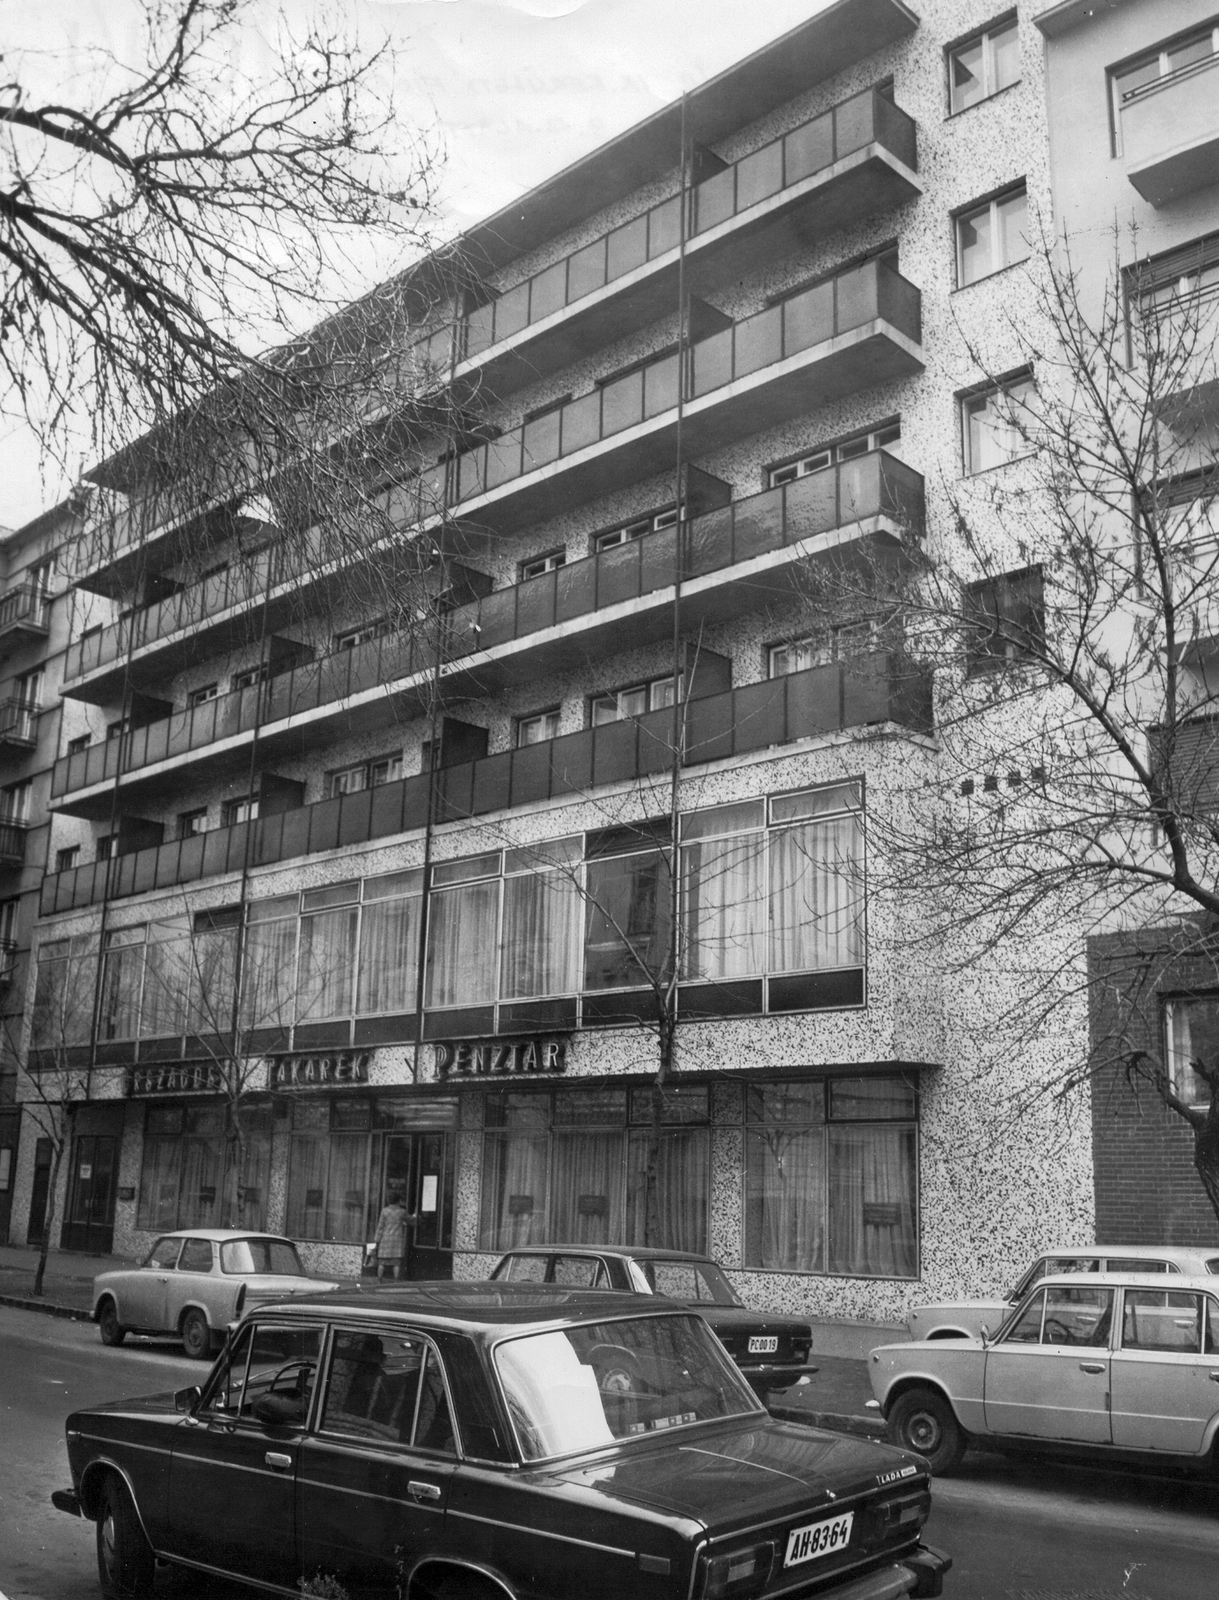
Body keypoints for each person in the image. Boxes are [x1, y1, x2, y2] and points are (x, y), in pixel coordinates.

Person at [373, 1189, 413, 1281]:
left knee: (381, 1263)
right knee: (396, 1263)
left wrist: (376, 1240)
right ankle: (395, 1281)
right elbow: (411, 1220)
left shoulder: (384, 1211)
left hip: (385, 1239)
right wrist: (415, 1216)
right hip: (397, 1240)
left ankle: (379, 1281)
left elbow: (380, 1226)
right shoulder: (402, 1211)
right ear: (398, 1201)